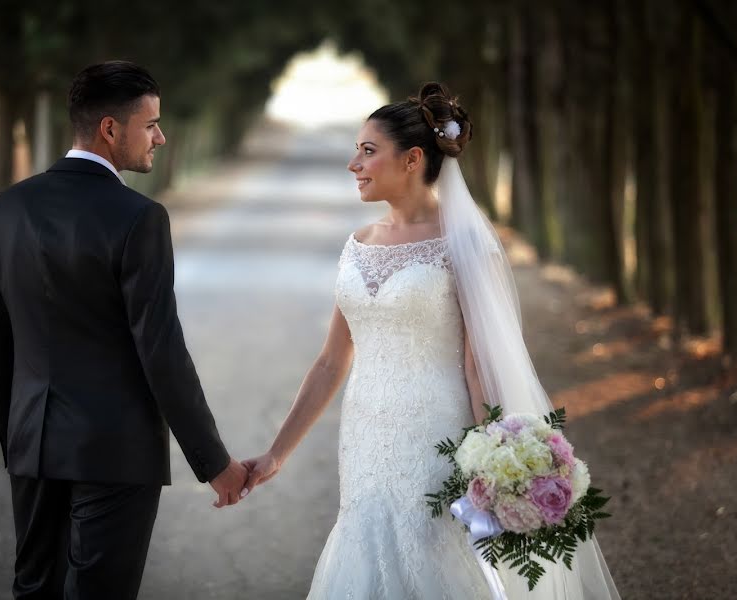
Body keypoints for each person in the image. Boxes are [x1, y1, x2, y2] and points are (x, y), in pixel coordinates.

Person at [243, 83, 621, 599]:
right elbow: (332, 360)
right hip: (364, 440)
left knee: (435, 554)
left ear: (412, 159)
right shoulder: (359, 245)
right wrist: (277, 454)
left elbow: (477, 366)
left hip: (437, 438)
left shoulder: (464, 245)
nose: (354, 163)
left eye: (368, 150)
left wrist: (493, 459)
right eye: (357, 149)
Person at [0, 61, 249, 600]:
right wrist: (214, 463)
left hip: (31, 443)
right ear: (110, 128)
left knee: (33, 589)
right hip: (114, 451)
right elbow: (161, 350)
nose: (161, 137)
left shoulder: (7, 208)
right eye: (150, 124)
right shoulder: (138, 218)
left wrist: (18, 438)